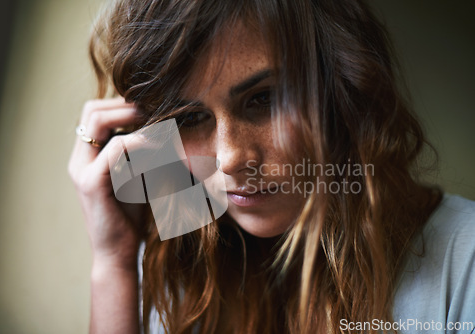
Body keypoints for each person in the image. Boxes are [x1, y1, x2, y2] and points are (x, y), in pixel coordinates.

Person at [68, 0, 475, 333]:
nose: (230, 159)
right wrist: (114, 262)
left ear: (343, 88)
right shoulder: (177, 261)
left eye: (263, 99)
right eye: (188, 118)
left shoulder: (463, 261)